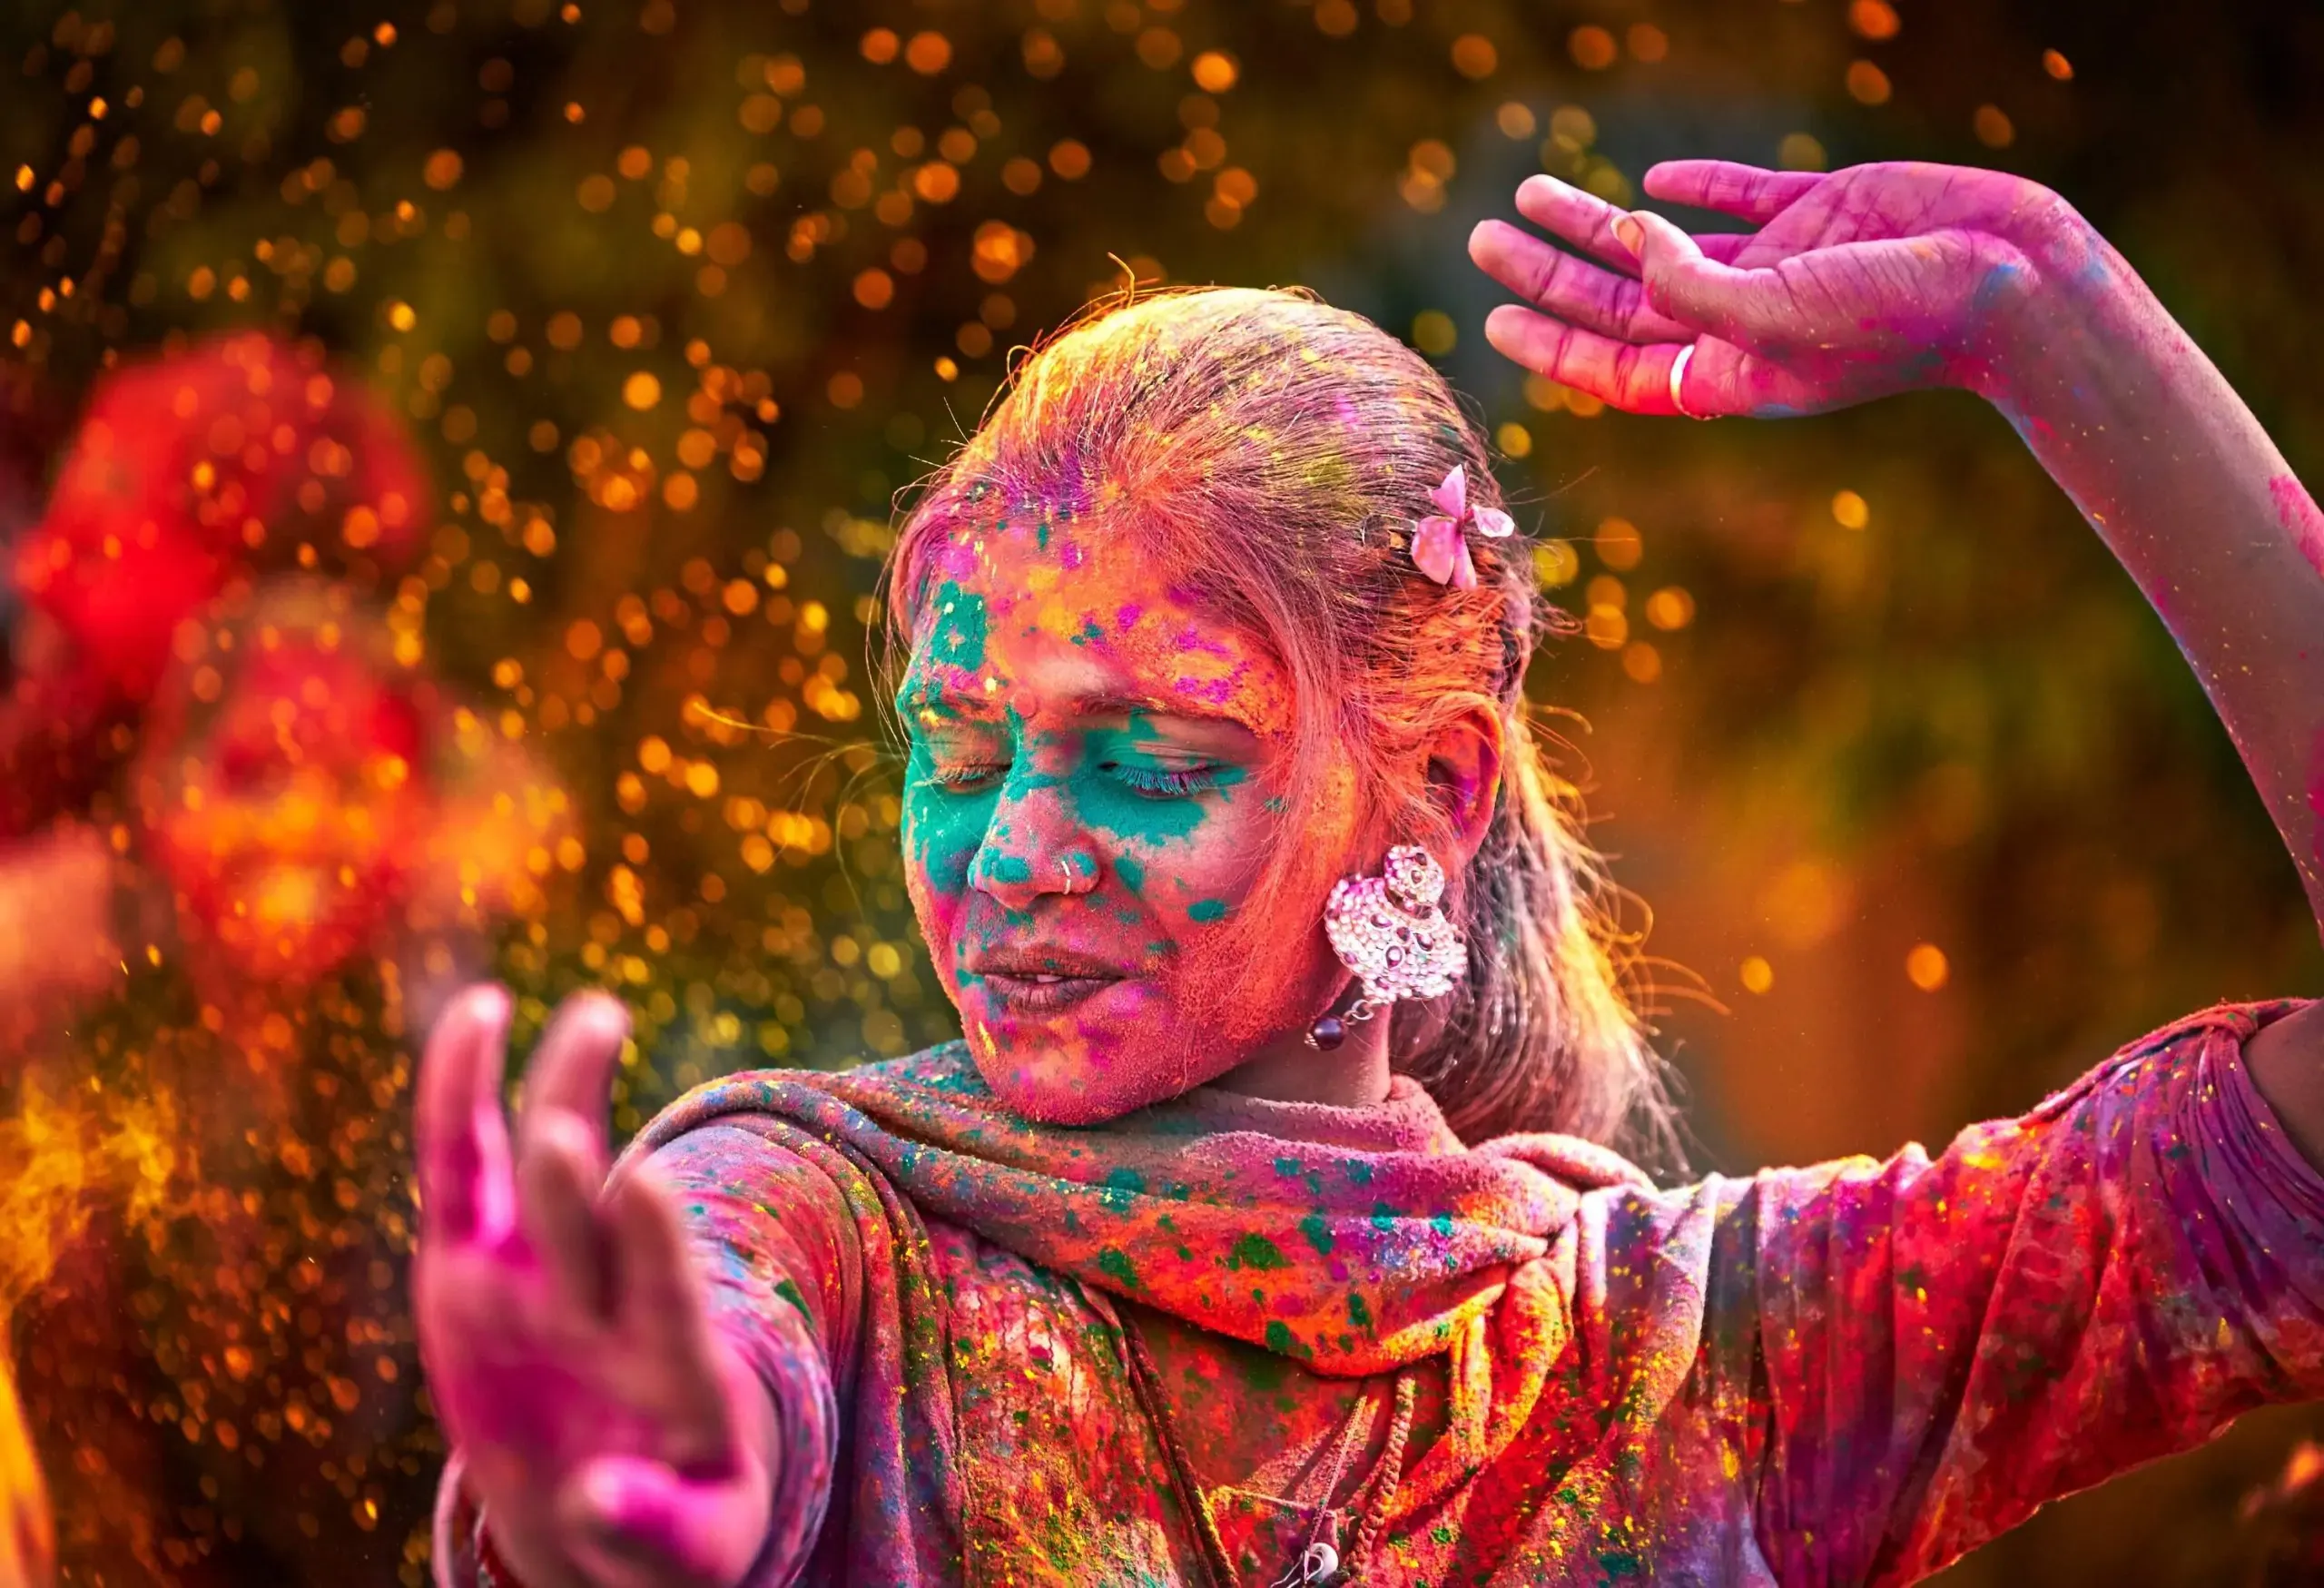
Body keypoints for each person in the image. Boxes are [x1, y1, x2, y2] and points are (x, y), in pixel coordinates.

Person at [412, 158, 2324, 1587]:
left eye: (1147, 754)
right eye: (959, 746)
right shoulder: (816, 1234)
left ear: (1427, 793)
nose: (1010, 851)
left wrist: (2046, 316)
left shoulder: (1696, 1357)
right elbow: (696, 1389)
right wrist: (634, 1489)